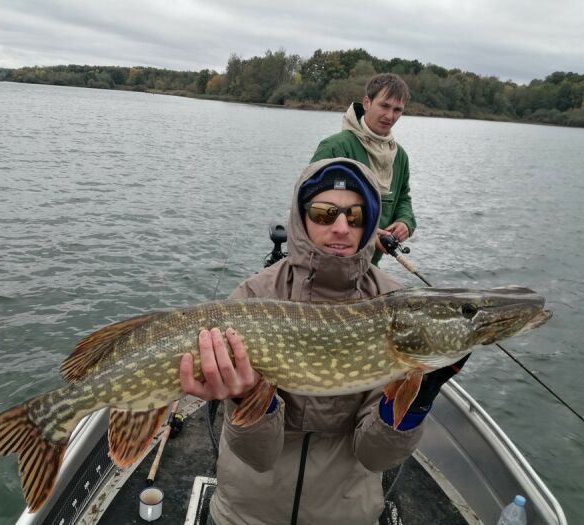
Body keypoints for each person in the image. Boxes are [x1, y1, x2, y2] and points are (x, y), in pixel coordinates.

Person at [179, 158, 462, 524]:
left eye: (355, 215)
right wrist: (247, 398)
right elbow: (258, 457)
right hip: (248, 513)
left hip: (344, 512)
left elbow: (375, 458)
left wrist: (414, 403)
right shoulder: (254, 295)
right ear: (302, 218)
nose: (341, 227)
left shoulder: (392, 304)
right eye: (324, 213)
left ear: (370, 220)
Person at [311, 73, 415, 266]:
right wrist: (366, 233)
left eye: (397, 109)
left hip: (369, 266)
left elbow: (403, 198)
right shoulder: (335, 147)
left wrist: (405, 222)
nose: (390, 116)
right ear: (367, 103)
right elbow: (312, 207)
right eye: (384, 106)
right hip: (329, 263)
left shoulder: (400, 156)